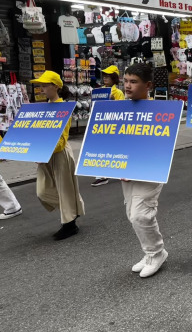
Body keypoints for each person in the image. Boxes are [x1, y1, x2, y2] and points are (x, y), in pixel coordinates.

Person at [121, 63, 168, 278]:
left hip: (149, 172)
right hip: (126, 173)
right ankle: (150, 253)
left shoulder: (160, 111)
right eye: (126, 81)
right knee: (133, 215)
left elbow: (160, 147)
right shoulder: (120, 108)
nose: (128, 86)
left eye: (133, 81)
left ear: (148, 85)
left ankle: (157, 253)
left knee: (142, 215)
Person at [31, 71, 85, 240]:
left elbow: (61, 140)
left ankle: (69, 224)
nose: (41, 89)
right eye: (40, 86)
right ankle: (73, 208)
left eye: (45, 86)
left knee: (65, 189)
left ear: (55, 87)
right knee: (43, 191)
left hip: (59, 154)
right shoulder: (45, 107)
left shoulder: (63, 108)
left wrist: (43, 152)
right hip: (45, 154)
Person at [91, 65, 125, 187]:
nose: (105, 78)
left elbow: (122, 111)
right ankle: (101, 175)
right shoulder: (100, 92)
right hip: (101, 125)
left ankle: (120, 170)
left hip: (113, 126)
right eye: (104, 75)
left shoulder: (118, 93)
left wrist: (111, 101)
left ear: (114, 78)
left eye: (108, 76)